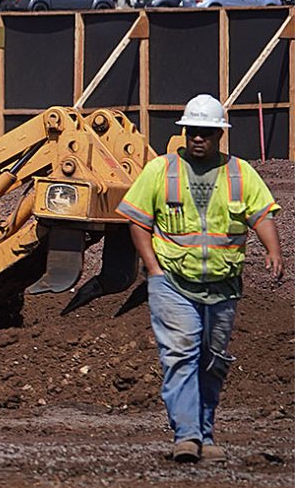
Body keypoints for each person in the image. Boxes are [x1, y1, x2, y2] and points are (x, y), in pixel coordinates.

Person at [118, 94, 282, 461]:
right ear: (184, 132)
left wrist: (274, 251)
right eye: (193, 131)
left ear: (220, 135)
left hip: (223, 285)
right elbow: (138, 220)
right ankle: (187, 436)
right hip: (172, 282)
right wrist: (153, 267)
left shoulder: (240, 173)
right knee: (180, 353)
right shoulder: (160, 170)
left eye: (206, 133)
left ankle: (204, 436)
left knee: (213, 358)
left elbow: (261, 214)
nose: (198, 138)